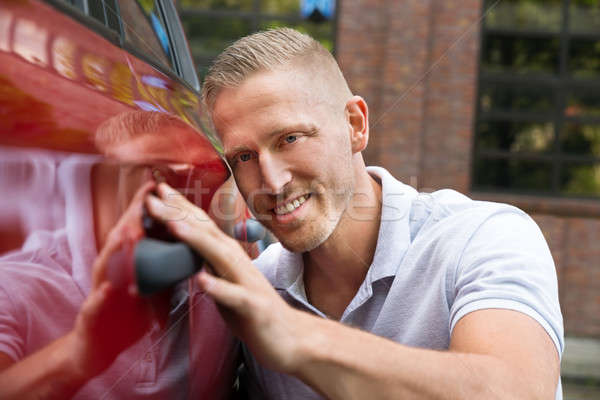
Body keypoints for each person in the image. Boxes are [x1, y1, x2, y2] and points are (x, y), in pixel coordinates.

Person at [146, 28, 564, 399]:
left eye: (290, 138)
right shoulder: (259, 289)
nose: (272, 182)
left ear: (355, 125)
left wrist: (297, 339)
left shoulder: (485, 237)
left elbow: (517, 391)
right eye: (243, 156)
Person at [0, 112, 238, 399]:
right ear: (100, 182)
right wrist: (79, 354)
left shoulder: (224, 288)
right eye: (162, 174)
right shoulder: (14, 286)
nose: (189, 198)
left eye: (207, 176)